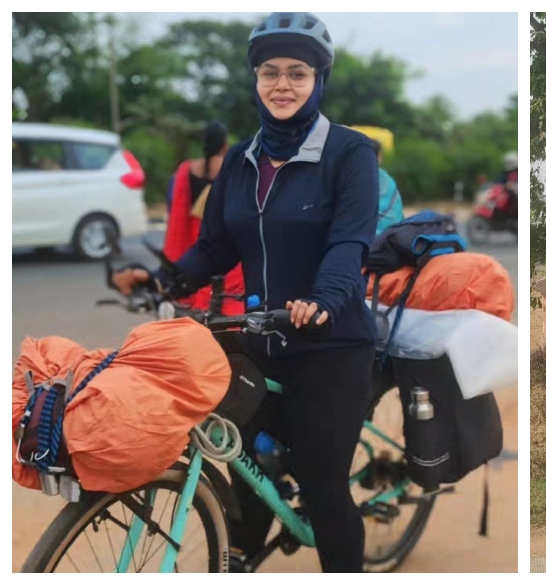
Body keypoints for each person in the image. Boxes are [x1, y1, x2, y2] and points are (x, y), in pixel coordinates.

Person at [112, 12, 379, 573]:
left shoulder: (349, 153)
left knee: (323, 488)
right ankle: (242, 558)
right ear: (255, 80)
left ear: (319, 80)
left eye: (297, 73)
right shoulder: (239, 158)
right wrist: (163, 280)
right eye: (270, 73)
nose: (282, 85)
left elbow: (348, 243)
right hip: (258, 339)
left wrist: (324, 300)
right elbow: (214, 248)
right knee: (238, 467)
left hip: (331, 344)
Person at [162, 120, 245, 315]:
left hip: (194, 232)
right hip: (219, 230)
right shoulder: (231, 166)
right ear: (224, 143)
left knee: (197, 269)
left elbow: (177, 204)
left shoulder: (188, 169)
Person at [369, 138, 404, 234]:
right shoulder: (388, 180)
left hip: (371, 239)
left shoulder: (358, 178)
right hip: (394, 235)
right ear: (379, 157)